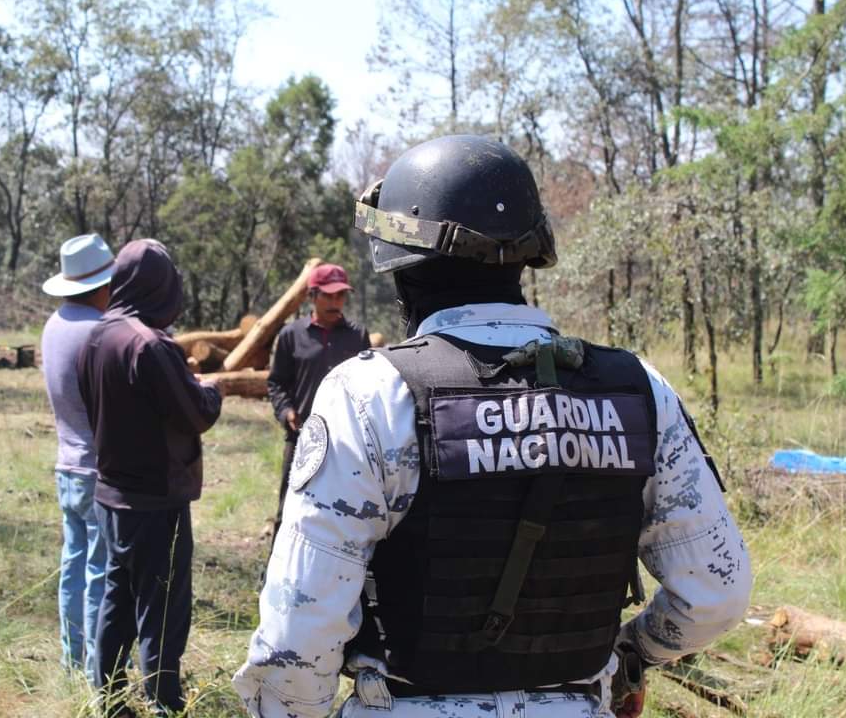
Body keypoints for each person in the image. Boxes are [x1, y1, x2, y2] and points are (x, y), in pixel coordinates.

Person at [233, 135, 752, 718]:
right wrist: (629, 654)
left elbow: (297, 634)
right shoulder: (641, 391)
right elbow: (716, 593)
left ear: (400, 268)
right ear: (530, 257)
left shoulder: (369, 396)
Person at [77, 239, 223, 716]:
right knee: (162, 611)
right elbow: (195, 414)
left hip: (110, 495)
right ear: (163, 287)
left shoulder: (97, 336)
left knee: (117, 601)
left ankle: (111, 700)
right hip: (156, 502)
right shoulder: (150, 345)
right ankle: (165, 704)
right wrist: (212, 389)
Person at [40, 234, 117, 683]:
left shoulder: (55, 324)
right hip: (95, 469)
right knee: (99, 573)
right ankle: (97, 674)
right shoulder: (96, 333)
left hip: (66, 464)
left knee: (73, 565)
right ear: (102, 286)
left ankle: (72, 660)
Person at [266, 263, 369, 536]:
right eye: (329, 296)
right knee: (289, 507)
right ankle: (277, 573)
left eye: (341, 296)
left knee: (343, 509)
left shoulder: (358, 336)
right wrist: (286, 411)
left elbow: (369, 386)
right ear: (313, 295)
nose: (337, 302)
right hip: (302, 439)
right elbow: (276, 383)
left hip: (346, 441)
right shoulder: (291, 336)